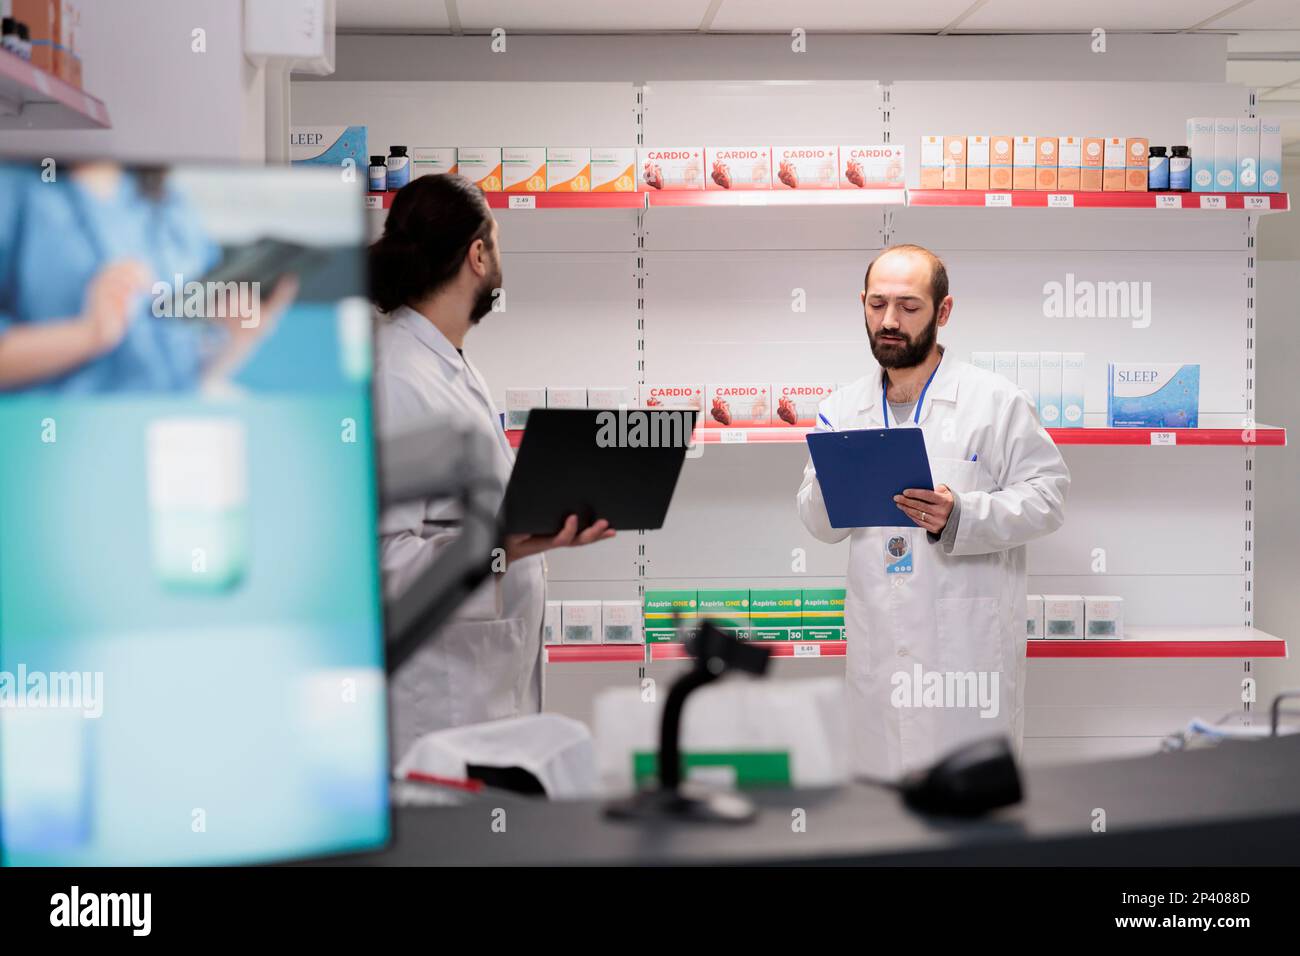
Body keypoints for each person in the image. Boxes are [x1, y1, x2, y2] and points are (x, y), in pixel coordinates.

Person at [797, 243, 1070, 780]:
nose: (890, 321)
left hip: (965, 658)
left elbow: (1049, 497)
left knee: (970, 819)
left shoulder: (993, 401)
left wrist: (960, 515)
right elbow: (817, 523)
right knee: (882, 814)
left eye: (909, 306)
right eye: (877, 305)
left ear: (943, 312)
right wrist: (838, 483)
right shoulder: (841, 408)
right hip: (880, 654)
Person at [371, 174, 613, 760]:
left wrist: (531, 532)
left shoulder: (448, 363)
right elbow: (382, 567)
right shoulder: (395, 375)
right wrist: (512, 543)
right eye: (497, 244)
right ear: (478, 255)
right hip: (439, 704)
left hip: (482, 692)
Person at [0, 160, 292, 393]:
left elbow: (189, 373)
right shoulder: (18, 192)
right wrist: (89, 334)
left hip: (167, 434)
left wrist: (237, 338)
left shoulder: (170, 204)